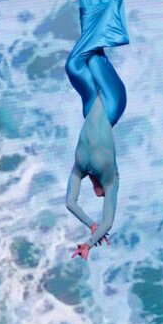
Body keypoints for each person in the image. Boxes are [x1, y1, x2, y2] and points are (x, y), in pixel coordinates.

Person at [65, 92, 119, 261]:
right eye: (101, 194)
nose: (99, 194)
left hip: (100, 104)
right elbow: (69, 203)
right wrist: (89, 238)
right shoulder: (80, 168)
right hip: (90, 157)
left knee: (96, 92)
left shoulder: (111, 180)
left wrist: (93, 227)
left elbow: (108, 223)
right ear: (99, 188)